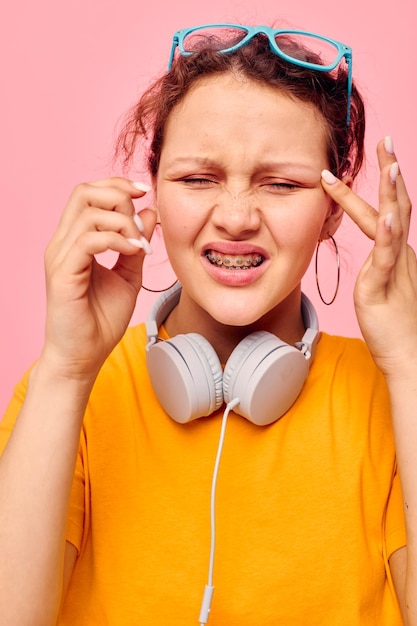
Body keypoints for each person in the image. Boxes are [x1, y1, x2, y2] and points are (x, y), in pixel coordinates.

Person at [0, 22, 415, 626]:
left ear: (333, 211)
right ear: (155, 197)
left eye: (281, 184)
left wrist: (409, 362)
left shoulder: (389, 397)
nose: (238, 217)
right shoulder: (75, 393)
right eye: (198, 179)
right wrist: (66, 370)